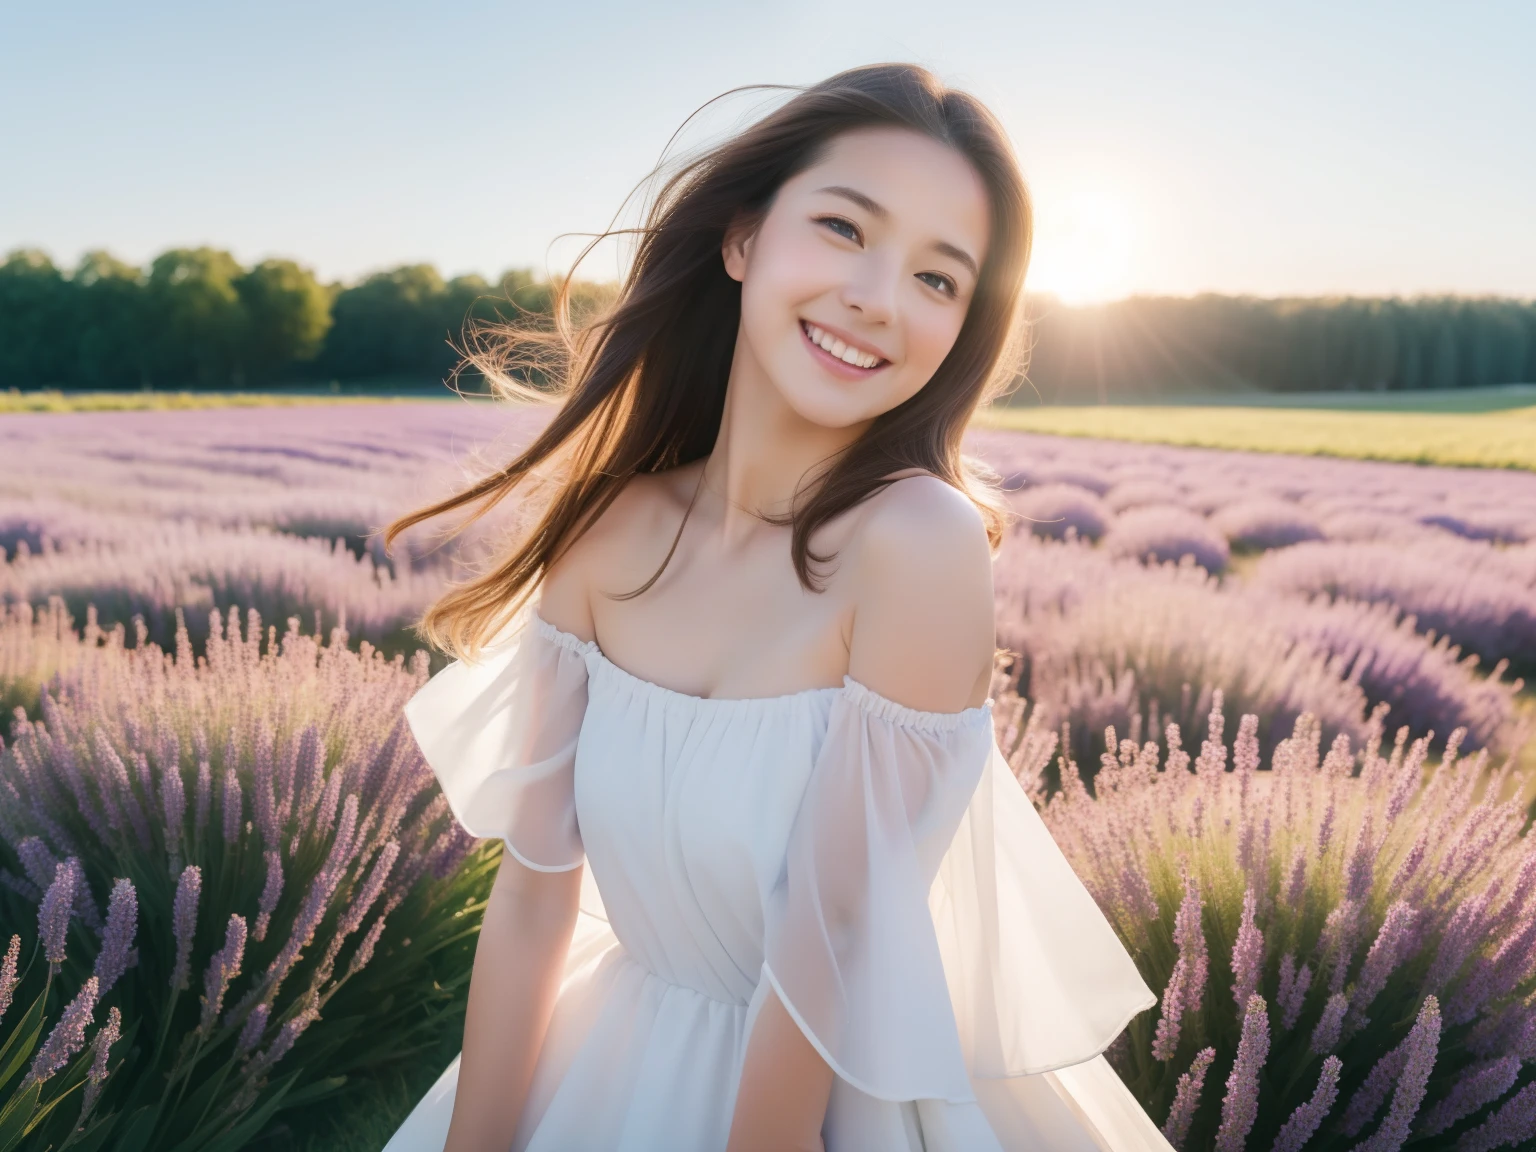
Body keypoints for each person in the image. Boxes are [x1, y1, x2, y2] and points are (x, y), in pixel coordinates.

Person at [381, 63, 1171, 1152]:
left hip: (828, 1095)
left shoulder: (917, 547)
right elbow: (531, 898)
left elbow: (836, 933)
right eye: (845, 229)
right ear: (743, 238)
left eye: (940, 280)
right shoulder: (610, 530)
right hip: (606, 1053)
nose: (879, 298)